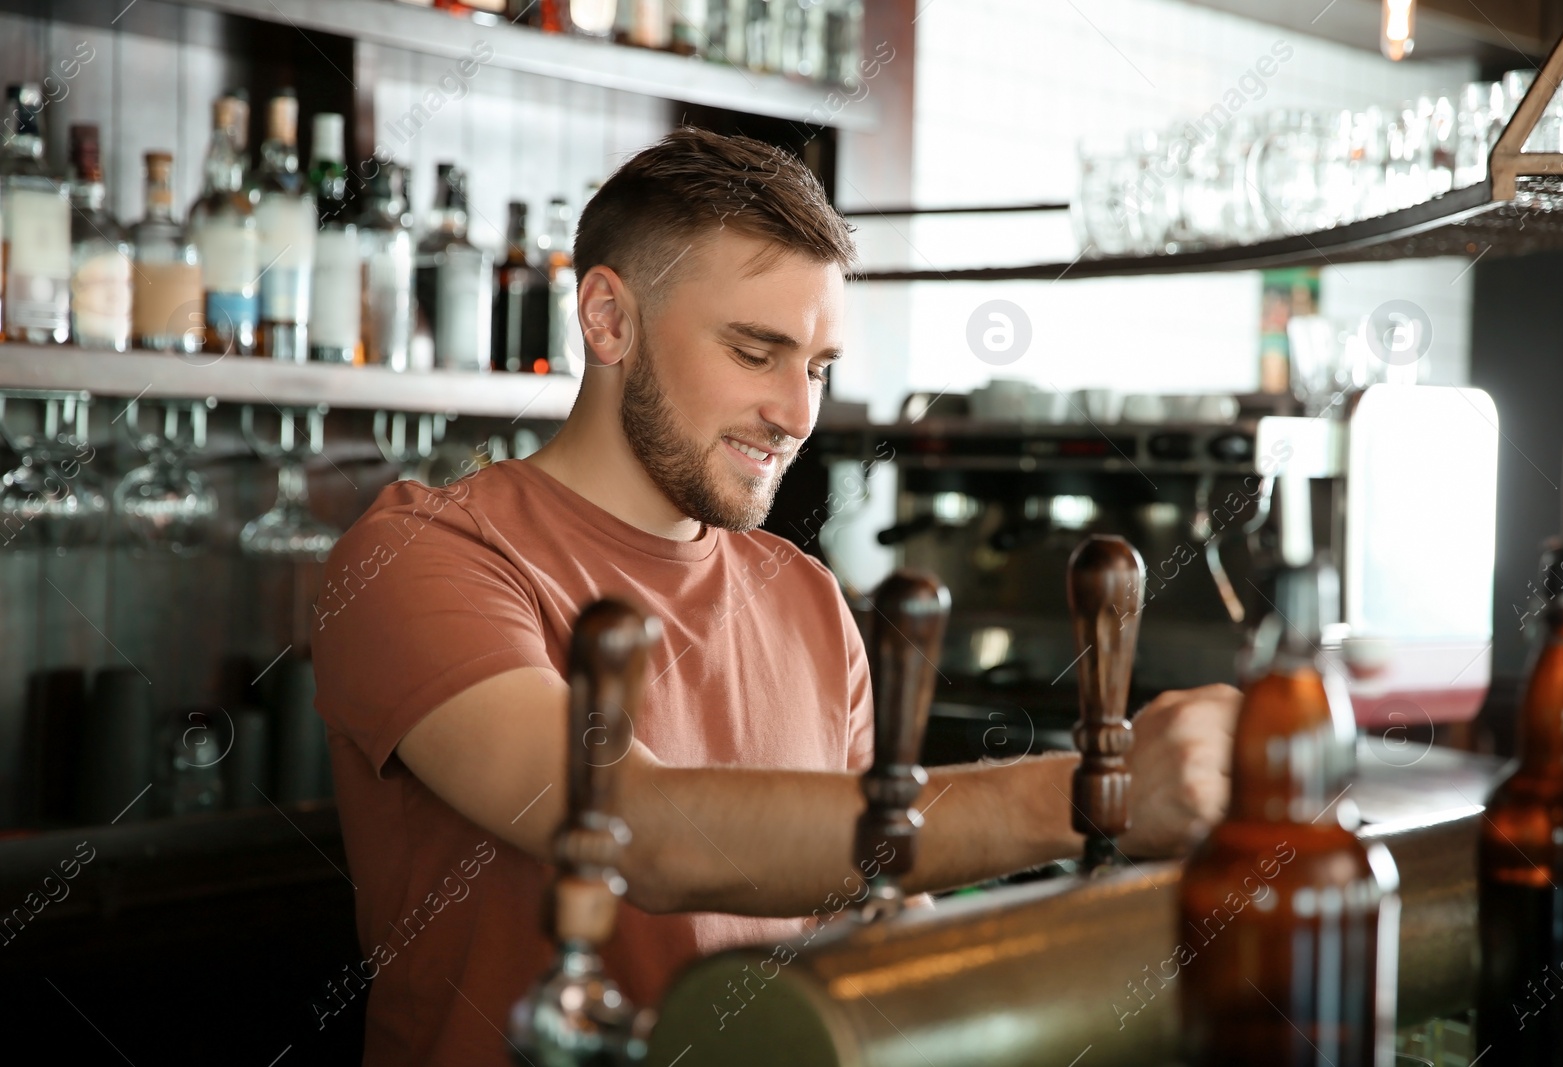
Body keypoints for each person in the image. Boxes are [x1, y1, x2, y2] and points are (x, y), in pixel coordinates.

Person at [311, 126, 1241, 1066]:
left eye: (819, 368)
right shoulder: (423, 553)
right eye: (757, 352)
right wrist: (1095, 791)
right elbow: (640, 829)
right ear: (607, 319)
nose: (799, 413)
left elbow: (880, 908)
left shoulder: (805, 597)